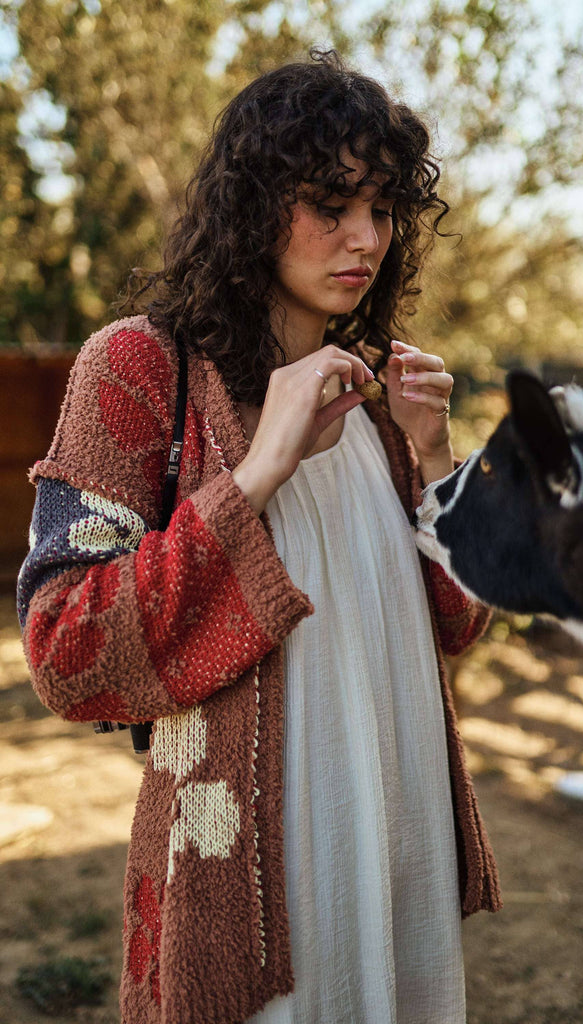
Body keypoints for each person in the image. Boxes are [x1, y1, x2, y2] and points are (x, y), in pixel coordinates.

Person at [17, 49, 500, 1024]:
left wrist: (437, 459)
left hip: (395, 840)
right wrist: (255, 475)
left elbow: (455, 626)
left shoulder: (371, 396)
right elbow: (66, 650)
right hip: (252, 876)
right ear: (250, 205)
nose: (364, 236)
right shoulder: (137, 367)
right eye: (330, 203)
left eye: (382, 207)